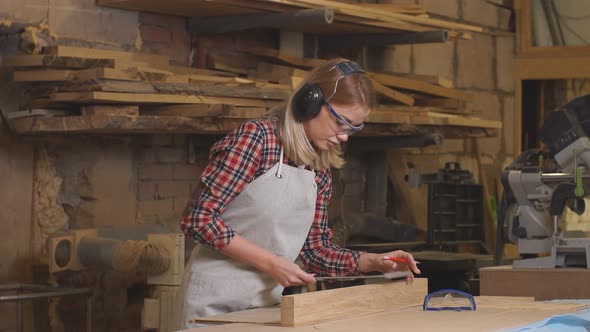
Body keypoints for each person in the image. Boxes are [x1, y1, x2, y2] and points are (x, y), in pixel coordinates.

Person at [174, 58, 421, 329]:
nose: (345, 136)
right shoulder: (256, 140)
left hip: (265, 308)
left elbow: (316, 252)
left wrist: (374, 262)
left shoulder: (318, 167)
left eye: (353, 128)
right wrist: (272, 264)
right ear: (310, 102)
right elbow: (198, 219)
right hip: (212, 305)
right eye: (341, 122)